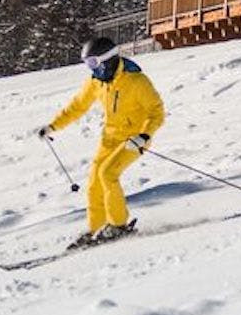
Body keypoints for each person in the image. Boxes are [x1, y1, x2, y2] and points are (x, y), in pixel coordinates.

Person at [36, 35, 166, 248]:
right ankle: (97, 229)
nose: (92, 69)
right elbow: (77, 106)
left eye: (94, 63)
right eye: (88, 64)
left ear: (108, 59)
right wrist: (53, 126)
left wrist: (144, 135)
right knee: (94, 183)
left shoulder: (136, 81)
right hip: (109, 138)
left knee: (108, 174)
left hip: (134, 140)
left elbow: (157, 112)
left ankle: (118, 225)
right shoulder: (96, 82)